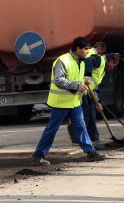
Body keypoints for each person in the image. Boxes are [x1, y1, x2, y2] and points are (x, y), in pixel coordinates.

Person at [32, 37, 106, 165]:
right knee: (52, 128)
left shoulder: (82, 61)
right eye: (85, 49)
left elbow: (76, 77)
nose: (88, 52)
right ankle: (39, 154)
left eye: (88, 49)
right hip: (60, 102)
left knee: (81, 125)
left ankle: (90, 152)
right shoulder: (63, 60)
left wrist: (84, 82)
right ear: (77, 48)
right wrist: (77, 85)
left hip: (74, 101)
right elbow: (59, 80)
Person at [82, 52, 121, 143]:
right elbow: (88, 60)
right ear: (110, 61)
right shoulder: (100, 60)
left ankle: (94, 137)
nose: (113, 67)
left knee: (92, 115)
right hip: (82, 91)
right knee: (86, 115)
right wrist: (87, 76)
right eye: (114, 64)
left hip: (89, 92)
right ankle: (82, 139)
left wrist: (98, 102)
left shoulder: (103, 69)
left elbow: (95, 86)